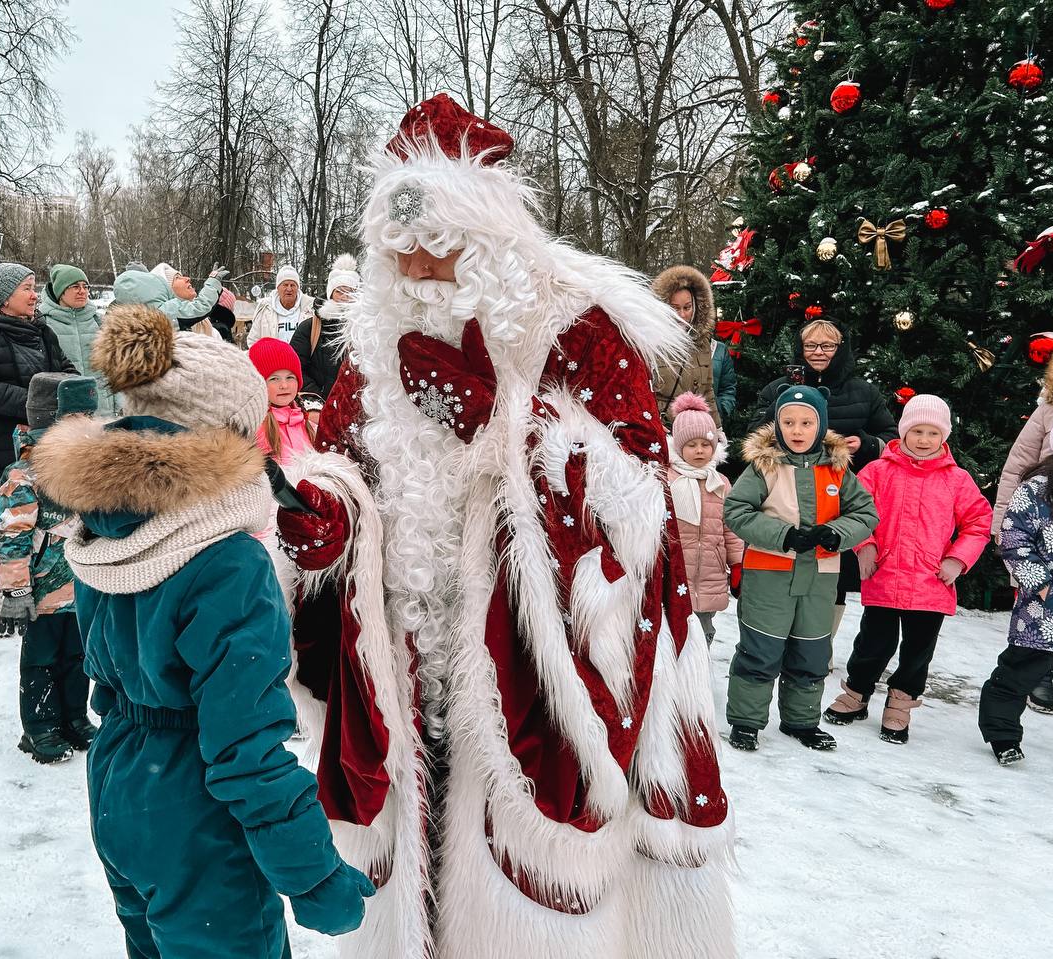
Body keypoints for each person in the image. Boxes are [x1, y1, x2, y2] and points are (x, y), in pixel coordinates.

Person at [273, 95, 732, 959]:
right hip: (412, 654)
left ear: (489, 239)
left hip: (539, 661)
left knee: (531, 883)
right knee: (419, 843)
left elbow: (639, 497)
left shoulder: (576, 330)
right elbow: (337, 461)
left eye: (440, 245)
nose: (417, 265)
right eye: (398, 248)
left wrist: (504, 426)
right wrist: (324, 520)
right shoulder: (372, 339)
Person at [31, 303, 373, 957]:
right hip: (197, 814)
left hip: (120, 785)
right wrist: (315, 876)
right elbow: (245, 750)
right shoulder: (228, 564)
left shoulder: (103, 524)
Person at [824, 395, 991, 743]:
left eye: (933, 433)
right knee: (873, 642)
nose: (924, 440)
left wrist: (957, 559)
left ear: (943, 437)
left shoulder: (957, 480)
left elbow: (978, 522)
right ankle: (857, 692)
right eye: (917, 430)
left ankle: (901, 700)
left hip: (931, 582)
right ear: (903, 431)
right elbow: (853, 510)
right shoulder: (878, 472)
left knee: (918, 649)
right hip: (884, 577)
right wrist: (864, 545)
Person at [723, 384, 879, 752]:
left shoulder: (838, 471)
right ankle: (746, 722)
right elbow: (736, 511)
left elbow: (866, 513)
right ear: (777, 426)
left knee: (811, 654)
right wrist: (784, 536)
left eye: (806, 422)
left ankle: (801, 720)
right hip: (769, 576)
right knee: (760, 651)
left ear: (820, 425)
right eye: (788, 422)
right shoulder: (764, 467)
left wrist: (835, 533)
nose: (797, 430)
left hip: (820, 581)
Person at [753, 318, 898, 643]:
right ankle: (779, 632)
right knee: (786, 559)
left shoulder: (863, 391)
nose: (819, 352)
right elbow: (753, 436)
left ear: (840, 349)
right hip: (786, 495)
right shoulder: (778, 388)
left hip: (836, 498)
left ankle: (820, 640)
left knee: (832, 572)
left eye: (827, 346)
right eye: (811, 345)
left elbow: (891, 437)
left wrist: (866, 443)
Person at [0, 262, 74, 626]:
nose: (35, 294)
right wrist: (34, 401)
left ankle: (32, 593)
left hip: (38, 446)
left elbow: (66, 374)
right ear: (4, 297)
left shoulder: (43, 332)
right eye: (27, 287)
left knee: (36, 526)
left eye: (34, 286)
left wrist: (67, 395)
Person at [0, 373, 100, 765]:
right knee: (41, 661)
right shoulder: (24, 477)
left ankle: (74, 716)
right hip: (41, 592)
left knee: (78, 657)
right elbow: (12, 536)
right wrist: (16, 590)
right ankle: (40, 726)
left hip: (84, 587)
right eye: (78, 420)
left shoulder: (88, 468)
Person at [980, 394, 1053, 766]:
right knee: (1021, 671)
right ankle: (1002, 734)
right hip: (1044, 606)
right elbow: (1015, 538)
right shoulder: (1036, 490)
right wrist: (1039, 580)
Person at [992, 333, 1053, 715]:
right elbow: (1018, 463)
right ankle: (1039, 677)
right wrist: (1002, 520)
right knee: (1040, 609)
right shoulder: (1050, 410)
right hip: (1044, 525)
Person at [666, 392, 743, 645]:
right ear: (678, 446)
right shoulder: (667, 479)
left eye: (706, 444)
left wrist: (738, 563)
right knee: (672, 633)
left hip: (710, 573)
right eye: (691, 445)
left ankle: (698, 681)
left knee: (703, 632)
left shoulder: (720, 482)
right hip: (675, 572)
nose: (700, 450)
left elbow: (730, 528)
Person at [36, 264, 119, 416]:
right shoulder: (43, 323)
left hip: (103, 409)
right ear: (60, 291)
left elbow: (115, 367)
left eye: (85, 286)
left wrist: (119, 403)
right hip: (65, 411)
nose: (82, 291)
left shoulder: (98, 321)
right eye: (75, 286)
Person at [651, 264, 720, 427]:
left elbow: (708, 393)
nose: (682, 315)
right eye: (675, 308)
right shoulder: (650, 342)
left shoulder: (702, 342)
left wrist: (717, 428)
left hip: (696, 431)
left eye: (687, 307)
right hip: (663, 431)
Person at [291, 253, 359, 400]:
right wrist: (317, 397)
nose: (345, 297)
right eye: (339, 291)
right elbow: (295, 367)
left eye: (350, 292)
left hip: (354, 406)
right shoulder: (310, 328)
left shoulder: (365, 328)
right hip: (320, 405)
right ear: (330, 293)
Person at [110, 264, 231, 337]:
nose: (187, 279)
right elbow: (201, 306)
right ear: (160, 287)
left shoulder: (118, 322)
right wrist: (212, 282)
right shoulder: (165, 311)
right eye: (177, 277)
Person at [250, 338, 316, 467]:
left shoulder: (308, 425)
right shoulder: (255, 430)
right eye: (274, 379)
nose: (284, 385)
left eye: (290, 377)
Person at [246, 265, 314, 346]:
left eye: (292, 285)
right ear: (278, 288)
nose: (289, 289)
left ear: (297, 288)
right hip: (271, 357)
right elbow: (253, 341)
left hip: (301, 358)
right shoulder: (265, 310)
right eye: (285, 285)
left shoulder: (310, 310)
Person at [712, 338, 737, 420]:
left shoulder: (719, 349)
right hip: (675, 420)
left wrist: (722, 409)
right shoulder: (673, 346)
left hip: (711, 420)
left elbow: (728, 387)